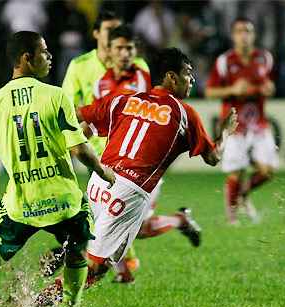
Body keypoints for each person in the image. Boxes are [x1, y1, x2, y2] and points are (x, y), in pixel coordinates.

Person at [36, 47, 237, 305]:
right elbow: (213, 157)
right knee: (96, 268)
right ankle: (35, 304)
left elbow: (77, 114)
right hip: (129, 193)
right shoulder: (185, 113)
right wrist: (226, 132)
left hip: (99, 181)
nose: (192, 80)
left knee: (93, 246)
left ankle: (63, 261)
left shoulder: (123, 99)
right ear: (171, 78)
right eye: (188, 73)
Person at [0, 31, 115, 307]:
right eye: (44, 52)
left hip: (22, 202)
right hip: (64, 201)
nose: (49, 57)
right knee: (77, 251)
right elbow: (78, 149)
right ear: (26, 58)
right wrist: (103, 172)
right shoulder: (56, 96)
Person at [41, 25, 203, 284]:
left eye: (129, 48)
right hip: (105, 160)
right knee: (120, 224)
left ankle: (104, 263)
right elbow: (87, 114)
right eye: (119, 47)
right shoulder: (101, 79)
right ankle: (121, 260)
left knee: (129, 225)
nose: (124, 53)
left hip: (140, 168)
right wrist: (74, 139)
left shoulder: (142, 77)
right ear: (106, 47)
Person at [205, 17, 277, 225]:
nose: (243, 35)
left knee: (267, 171)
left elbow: (269, 84)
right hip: (234, 125)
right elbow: (209, 91)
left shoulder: (265, 58)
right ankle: (232, 217)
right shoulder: (224, 61)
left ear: (253, 35)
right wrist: (232, 90)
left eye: (247, 31)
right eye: (239, 31)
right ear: (233, 36)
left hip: (259, 124)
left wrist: (269, 88)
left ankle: (243, 196)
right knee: (235, 172)